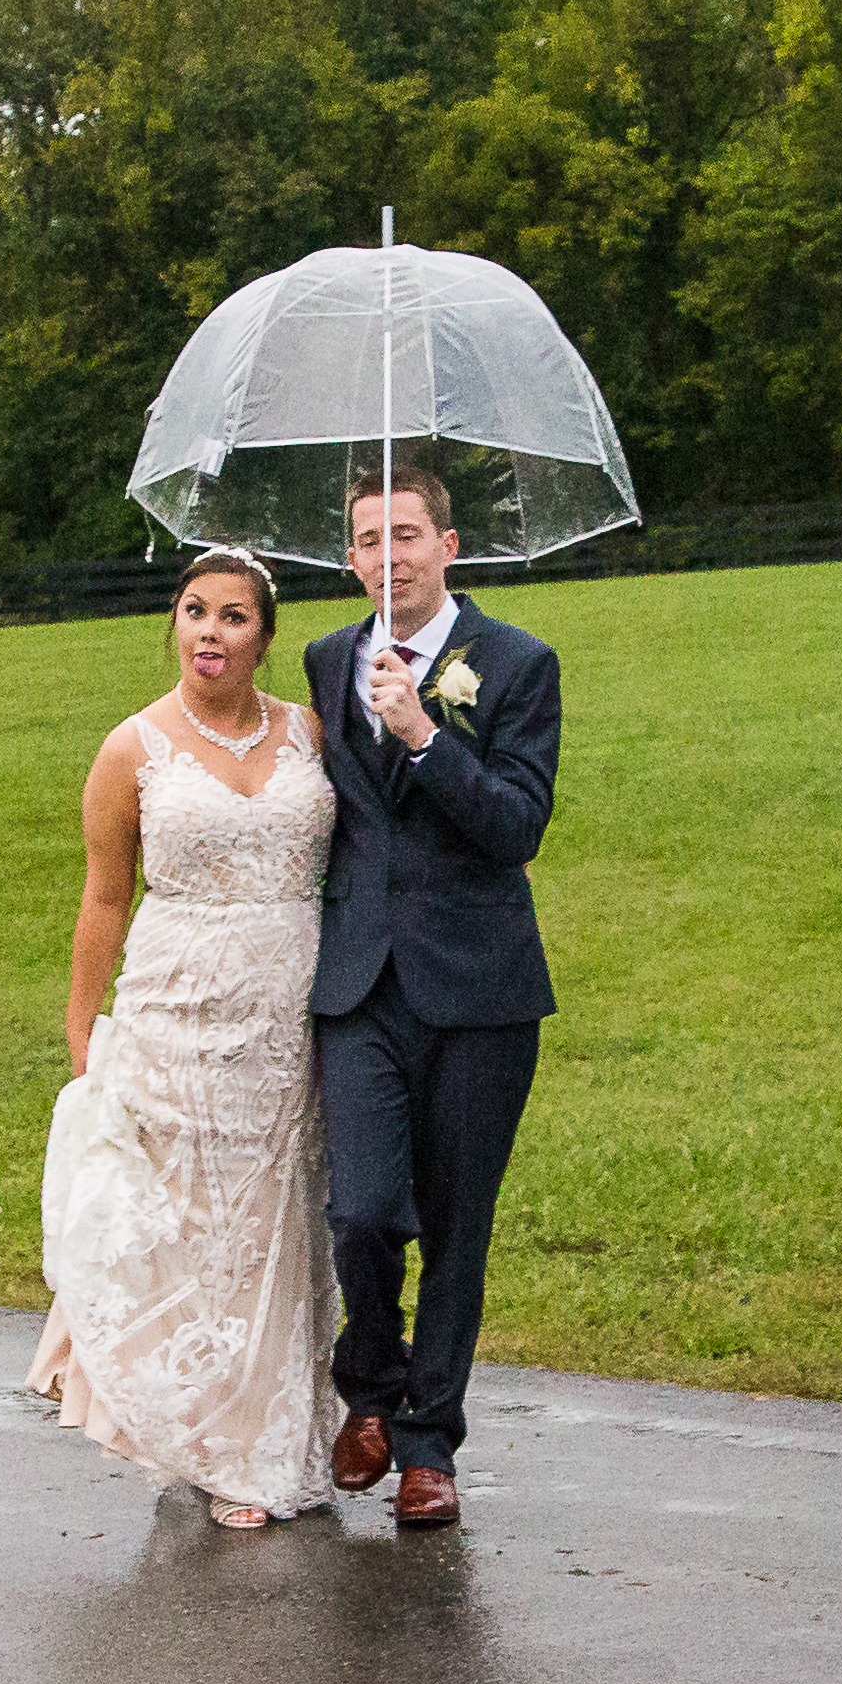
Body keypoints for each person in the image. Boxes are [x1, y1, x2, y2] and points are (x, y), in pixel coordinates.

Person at [27, 548, 341, 1527]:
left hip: (290, 1012)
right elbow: (104, 896)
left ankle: (276, 1434)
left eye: (233, 615)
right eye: (195, 610)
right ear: (174, 623)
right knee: (192, 1228)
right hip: (176, 1011)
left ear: (264, 635)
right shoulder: (131, 748)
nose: (210, 630)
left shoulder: (311, 733)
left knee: (278, 1221)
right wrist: (82, 1024)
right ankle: (211, 1446)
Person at [305, 465, 560, 1530]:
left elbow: (515, 825)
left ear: (447, 546)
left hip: (479, 988)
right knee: (363, 1209)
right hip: (359, 983)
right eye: (369, 539)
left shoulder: (517, 664)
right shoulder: (327, 660)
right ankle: (369, 1379)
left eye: (406, 534)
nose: (388, 557)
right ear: (350, 557)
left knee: (456, 1224)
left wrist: (422, 733)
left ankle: (426, 1444)